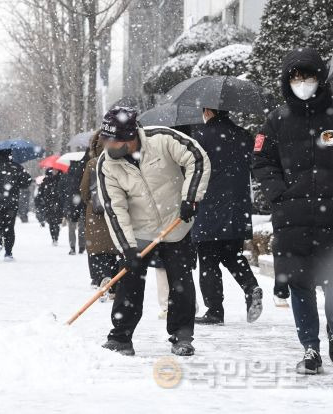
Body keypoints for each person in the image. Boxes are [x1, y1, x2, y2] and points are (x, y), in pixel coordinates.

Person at [97, 106, 210, 357]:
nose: (109, 147)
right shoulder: (107, 164)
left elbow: (197, 158)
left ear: (131, 137)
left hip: (175, 223)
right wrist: (127, 248)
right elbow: (115, 209)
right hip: (139, 230)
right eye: (106, 140)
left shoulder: (163, 139)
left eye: (115, 141)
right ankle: (121, 337)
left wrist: (190, 198)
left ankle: (182, 335)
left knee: (180, 280)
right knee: (129, 280)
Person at [253, 47, 333, 375]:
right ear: (288, 81)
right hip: (292, 218)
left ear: (320, 77)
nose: (303, 83)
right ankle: (310, 348)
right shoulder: (277, 120)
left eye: (308, 76)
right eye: (296, 77)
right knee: (300, 286)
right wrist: (279, 194)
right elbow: (262, 160)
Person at [192, 108, 263, 325]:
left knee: (208, 259)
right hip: (238, 206)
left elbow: (193, 169)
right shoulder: (244, 135)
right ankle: (251, 287)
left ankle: (214, 310)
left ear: (208, 111)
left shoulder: (200, 137)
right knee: (232, 254)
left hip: (209, 206)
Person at [80, 132, 122, 291]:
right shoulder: (119, 161)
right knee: (115, 248)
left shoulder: (92, 163)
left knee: (98, 250)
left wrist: (90, 201)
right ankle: (114, 282)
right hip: (116, 211)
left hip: (95, 214)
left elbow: (84, 191)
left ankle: (102, 278)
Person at [0, 149, 32, 262]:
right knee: (9, 227)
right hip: (11, 203)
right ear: (10, 155)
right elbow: (27, 182)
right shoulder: (16, 167)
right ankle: (8, 253)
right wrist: (17, 183)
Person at [60, 158, 87, 255]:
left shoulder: (65, 177)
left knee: (71, 227)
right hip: (82, 204)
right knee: (81, 226)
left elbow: (61, 192)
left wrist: (65, 203)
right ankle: (82, 246)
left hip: (70, 205)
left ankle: (72, 247)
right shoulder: (83, 175)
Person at [36, 168, 63, 246]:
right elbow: (40, 193)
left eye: (56, 170)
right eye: (53, 170)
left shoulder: (60, 179)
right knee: (51, 222)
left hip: (58, 205)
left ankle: (56, 237)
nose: (54, 172)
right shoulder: (46, 180)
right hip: (48, 205)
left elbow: (63, 191)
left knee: (57, 222)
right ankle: (53, 237)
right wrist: (41, 202)